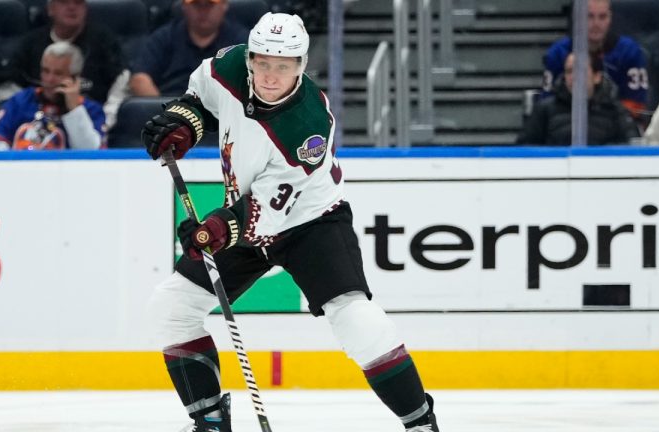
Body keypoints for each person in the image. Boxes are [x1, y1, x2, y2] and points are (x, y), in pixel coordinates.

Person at [140, 12, 440, 432]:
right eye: (262, 63)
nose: (270, 75)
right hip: (245, 210)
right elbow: (199, 98)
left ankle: (421, 423)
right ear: (250, 59)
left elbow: (264, 211)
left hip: (310, 222)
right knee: (172, 309)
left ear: (301, 66)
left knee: (354, 318)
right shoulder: (227, 66)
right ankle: (209, 422)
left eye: (283, 66)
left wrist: (214, 230)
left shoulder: (308, 127)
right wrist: (183, 124)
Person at [4, 0, 127, 129]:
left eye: (78, 2)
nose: (72, 7)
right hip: (32, 124)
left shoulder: (104, 42)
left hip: (90, 121)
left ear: (85, 8)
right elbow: (10, 85)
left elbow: (121, 81)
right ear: (50, 9)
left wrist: (105, 122)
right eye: (64, 2)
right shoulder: (30, 44)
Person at [0, 42, 105, 150]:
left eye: (58, 73)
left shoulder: (91, 110)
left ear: (74, 78)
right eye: (45, 71)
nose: (49, 79)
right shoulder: (20, 101)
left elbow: (91, 156)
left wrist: (74, 110)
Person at [542, 0, 648, 117]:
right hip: (566, 125)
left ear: (610, 18)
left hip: (615, 127)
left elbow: (636, 105)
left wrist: (601, 120)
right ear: (578, 18)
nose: (596, 24)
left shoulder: (630, 52)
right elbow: (546, 105)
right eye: (589, 16)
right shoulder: (558, 53)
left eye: (602, 17)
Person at [129, 0, 249, 98]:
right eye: (196, 4)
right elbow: (140, 79)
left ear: (224, 5)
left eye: (209, 4)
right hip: (171, 116)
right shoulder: (164, 37)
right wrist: (166, 115)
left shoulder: (242, 41)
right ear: (184, 6)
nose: (203, 11)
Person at [518, 52, 639, 145]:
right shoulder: (545, 110)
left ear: (597, 77)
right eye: (569, 71)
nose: (573, 76)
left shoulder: (616, 111)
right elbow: (525, 149)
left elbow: (632, 148)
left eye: (580, 70)